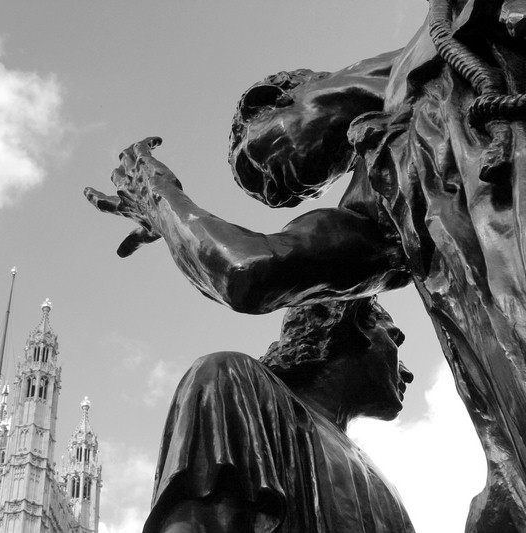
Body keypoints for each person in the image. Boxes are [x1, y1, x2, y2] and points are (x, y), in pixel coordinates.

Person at [85, 1, 526, 529]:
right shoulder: (387, 188)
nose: (278, 188)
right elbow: (250, 272)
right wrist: (159, 200)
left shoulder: (468, 30)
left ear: (282, 99)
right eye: (267, 186)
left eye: (257, 158)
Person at [145, 298, 414, 533]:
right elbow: (196, 521)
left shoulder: (385, 486)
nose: (407, 372)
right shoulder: (235, 378)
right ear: (357, 324)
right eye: (395, 337)